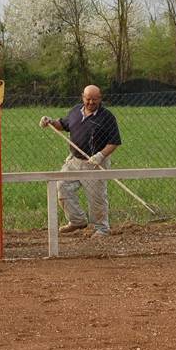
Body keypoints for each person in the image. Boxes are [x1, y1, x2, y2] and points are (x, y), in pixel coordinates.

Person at [39, 85, 121, 238]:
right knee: (62, 186)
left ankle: (102, 229)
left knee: (96, 198)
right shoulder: (76, 110)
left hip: (95, 164)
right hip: (74, 161)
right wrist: (50, 121)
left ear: (100, 99)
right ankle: (77, 220)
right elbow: (63, 124)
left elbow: (114, 142)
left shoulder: (107, 117)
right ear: (83, 97)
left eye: (94, 99)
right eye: (88, 99)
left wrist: (100, 156)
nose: (90, 102)